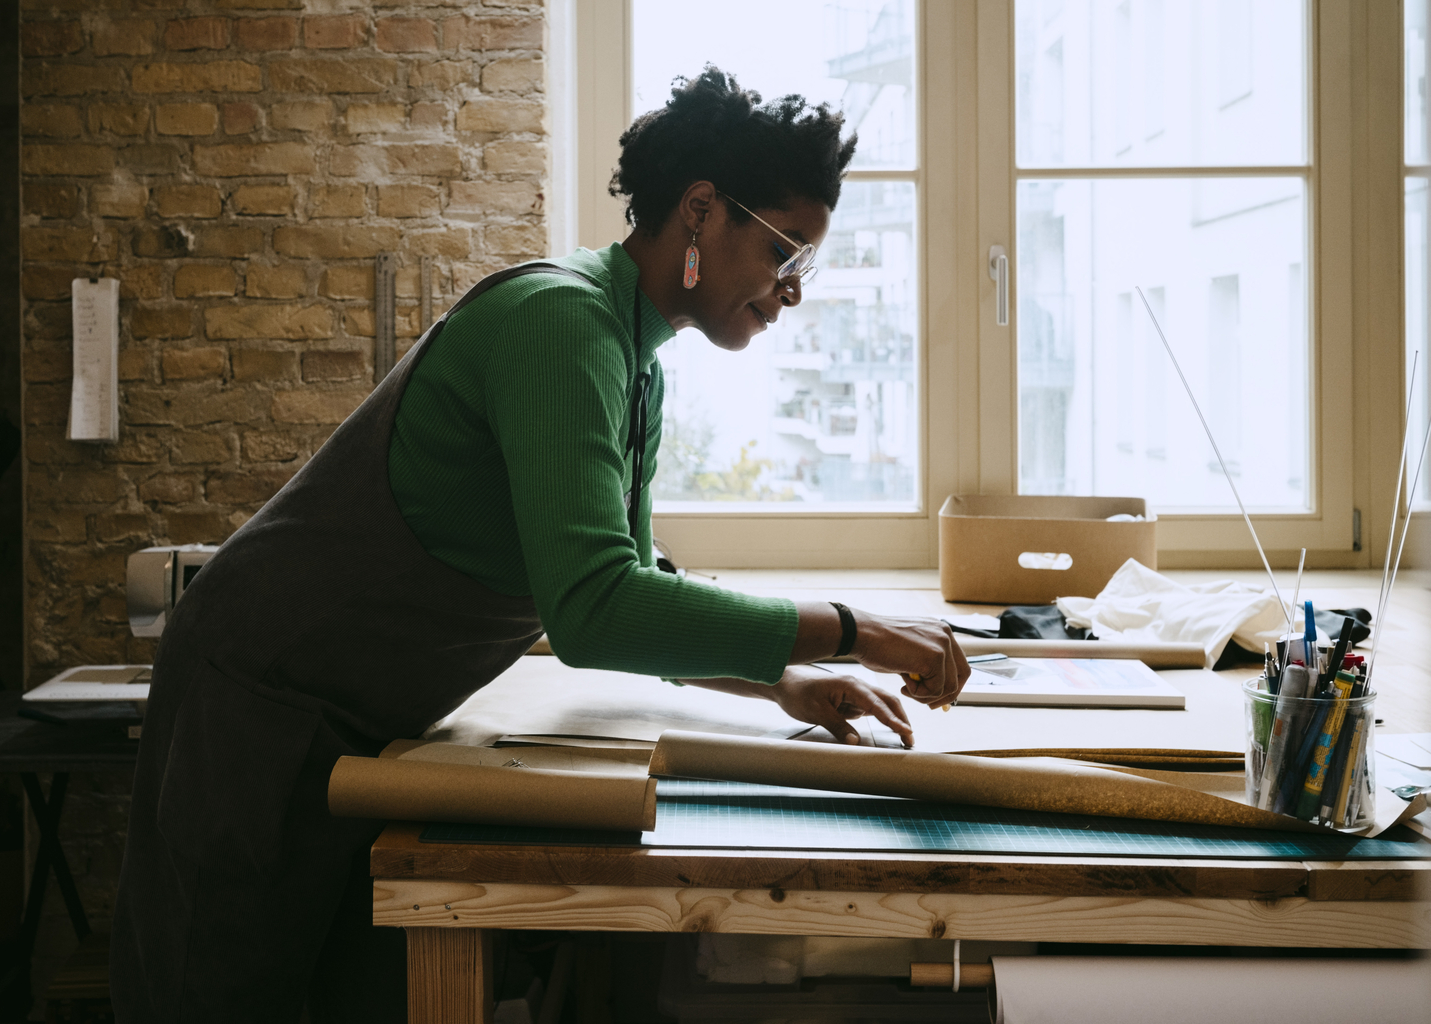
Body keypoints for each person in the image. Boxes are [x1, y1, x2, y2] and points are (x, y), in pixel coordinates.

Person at [110, 67, 970, 1023]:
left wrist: (783, 683)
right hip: (257, 702)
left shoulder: (633, 358)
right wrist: (852, 630)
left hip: (357, 722)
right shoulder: (564, 322)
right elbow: (595, 609)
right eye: (785, 252)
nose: (790, 294)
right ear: (699, 211)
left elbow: (631, 580)